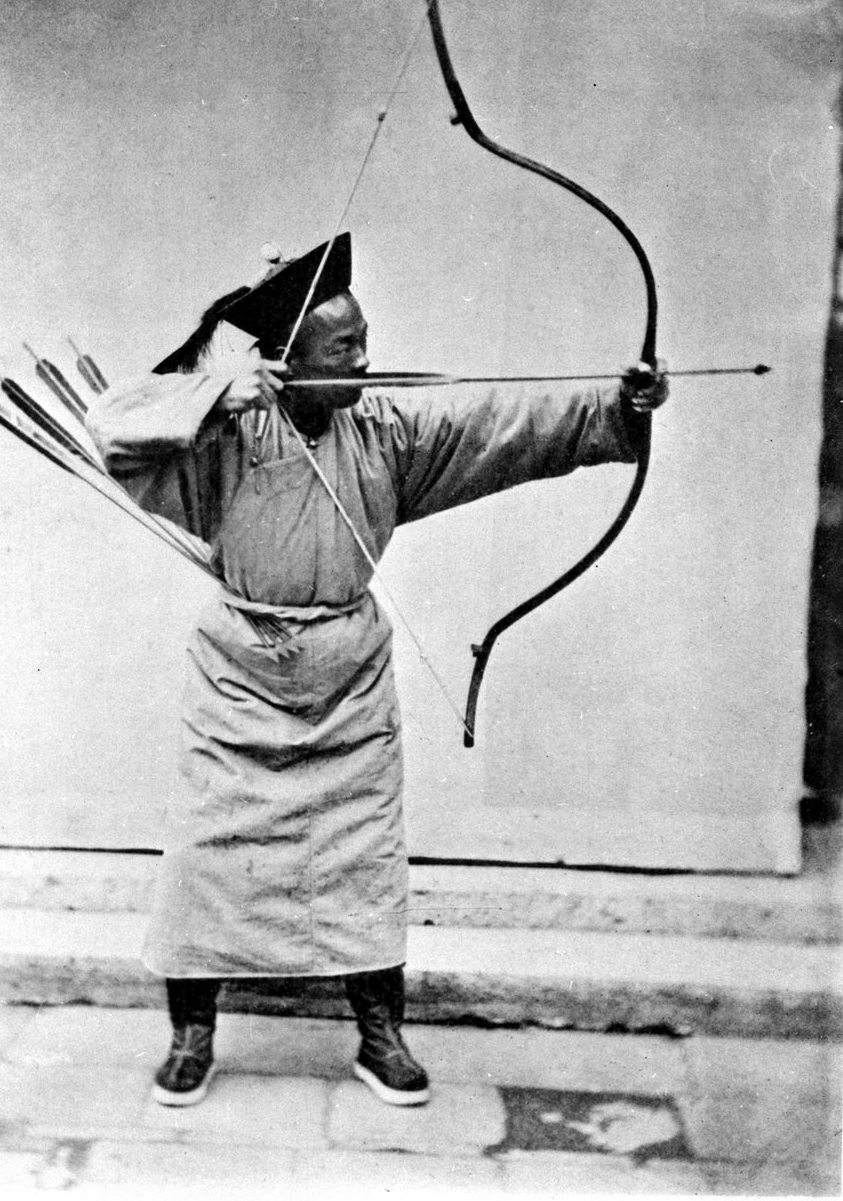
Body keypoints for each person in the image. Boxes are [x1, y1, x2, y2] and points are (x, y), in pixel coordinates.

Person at [84, 233, 669, 1109]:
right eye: (343, 348)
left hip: (347, 677)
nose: (363, 359)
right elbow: (112, 423)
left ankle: (379, 1037)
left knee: (362, 861)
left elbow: (500, 422)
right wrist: (215, 391)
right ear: (286, 362)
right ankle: (191, 1037)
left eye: (363, 342)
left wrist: (619, 404)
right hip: (240, 674)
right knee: (207, 860)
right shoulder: (223, 433)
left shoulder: (386, 431)